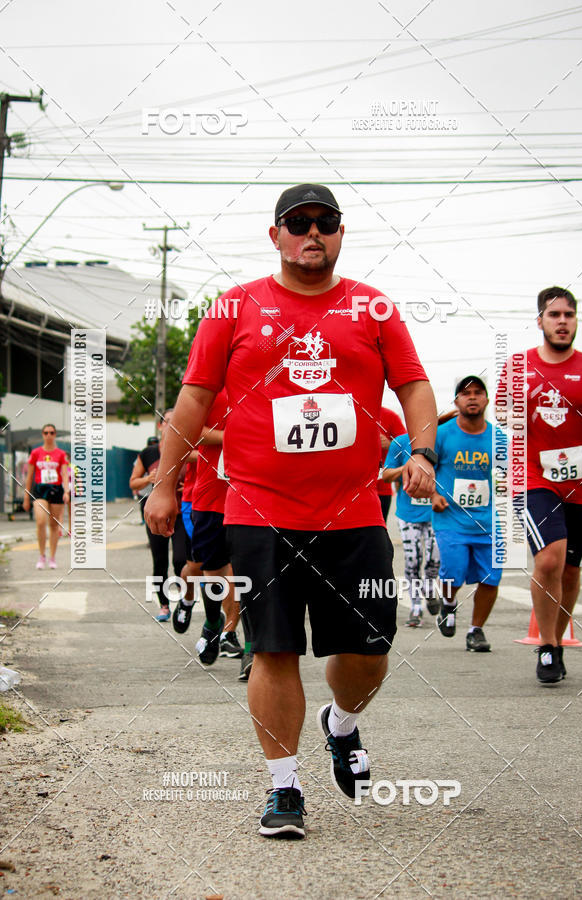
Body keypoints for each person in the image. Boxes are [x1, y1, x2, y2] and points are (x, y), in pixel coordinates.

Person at [144, 183, 436, 839]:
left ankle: (344, 723)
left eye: (325, 222)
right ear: (274, 234)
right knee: (272, 648)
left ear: (340, 232)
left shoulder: (374, 307)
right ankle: (284, 788)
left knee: (369, 651)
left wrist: (422, 452)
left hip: (354, 511)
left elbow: (414, 385)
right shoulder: (233, 308)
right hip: (257, 509)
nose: (312, 232)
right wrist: (164, 484)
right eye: (297, 222)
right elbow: (191, 403)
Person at [497, 287, 582, 684]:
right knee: (549, 559)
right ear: (540, 321)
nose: (562, 322)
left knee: (570, 569)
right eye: (554, 315)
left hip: (581, 484)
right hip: (536, 479)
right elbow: (505, 419)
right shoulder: (519, 366)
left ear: (575, 321)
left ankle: (557, 639)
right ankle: (547, 646)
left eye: (568, 315)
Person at [171, 389, 249, 679]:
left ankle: (242, 641)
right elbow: (190, 433)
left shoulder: (268, 386)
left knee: (246, 572)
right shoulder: (212, 393)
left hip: (255, 497)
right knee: (203, 566)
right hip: (207, 499)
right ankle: (209, 617)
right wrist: (234, 437)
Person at [432, 376, 504, 652]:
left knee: (491, 578)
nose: (472, 397)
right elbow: (423, 467)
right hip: (451, 520)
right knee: (455, 572)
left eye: (477, 393)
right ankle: (448, 605)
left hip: (488, 522)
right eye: (465, 393)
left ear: (486, 399)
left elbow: (512, 475)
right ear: (456, 402)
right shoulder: (443, 435)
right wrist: (433, 495)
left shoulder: (497, 438)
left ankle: (476, 631)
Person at [129, 410, 187, 621]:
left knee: (181, 559)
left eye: (176, 422)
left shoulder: (186, 449)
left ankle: (183, 600)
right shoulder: (149, 453)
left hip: (181, 512)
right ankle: (164, 604)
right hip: (154, 512)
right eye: (168, 422)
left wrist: (186, 487)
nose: (172, 425)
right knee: (159, 560)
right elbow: (133, 482)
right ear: (161, 426)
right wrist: (149, 479)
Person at [382, 432, 440, 626]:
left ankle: (430, 589)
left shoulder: (439, 439)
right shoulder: (400, 442)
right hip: (408, 514)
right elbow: (386, 475)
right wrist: (407, 468)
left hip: (436, 512)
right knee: (412, 560)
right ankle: (416, 606)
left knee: (434, 560)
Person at [23, 425, 69, 569]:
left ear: (55, 435)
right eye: (46, 432)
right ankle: (42, 555)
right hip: (40, 490)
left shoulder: (61, 454)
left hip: (56, 490)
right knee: (41, 521)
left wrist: (67, 491)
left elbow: (64, 474)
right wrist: (26, 497)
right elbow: (29, 476)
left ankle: (52, 557)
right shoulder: (36, 453)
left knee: (54, 525)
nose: (49, 435)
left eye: (52, 433)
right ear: (42, 434)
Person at [376, 406, 405, 523]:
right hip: (353, 489)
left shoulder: (390, 416)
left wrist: (390, 445)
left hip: (382, 487)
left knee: (378, 532)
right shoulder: (349, 413)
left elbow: (407, 446)